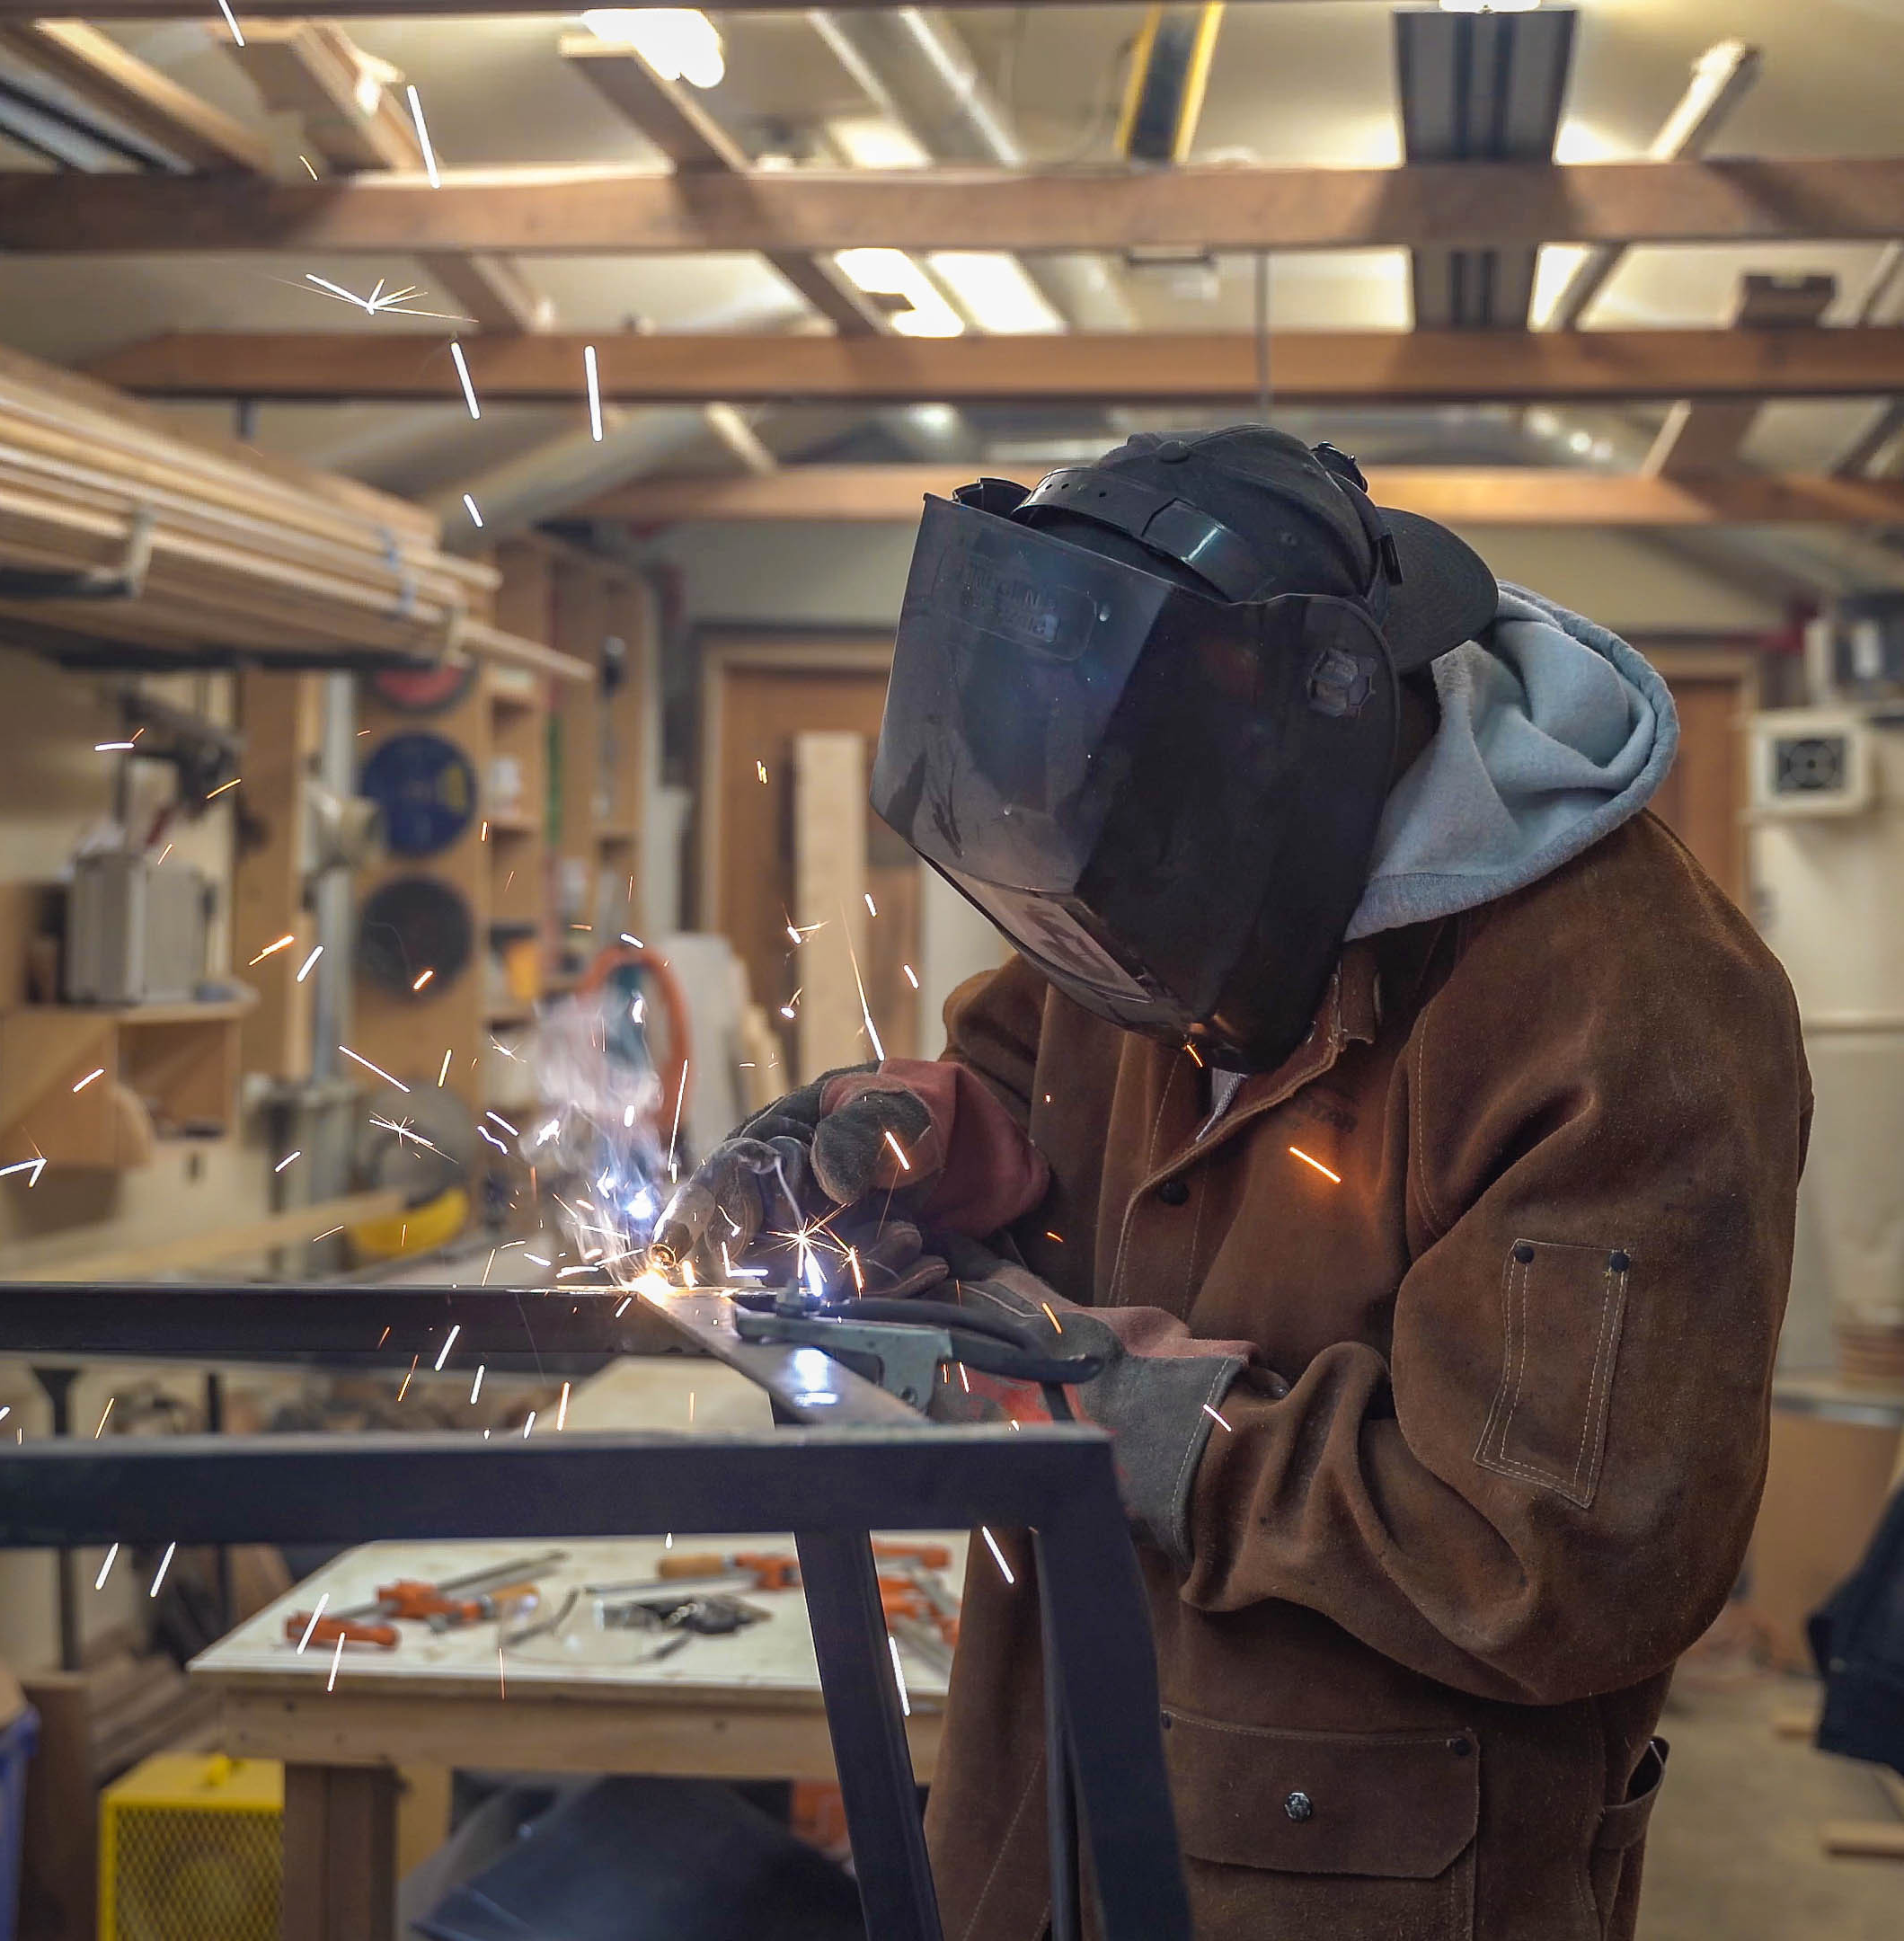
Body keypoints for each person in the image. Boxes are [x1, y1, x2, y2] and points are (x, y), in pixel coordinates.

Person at [669, 426, 1811, 1939]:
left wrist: (1129, 1418)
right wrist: (906, 1135)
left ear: (1312, 736)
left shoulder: (1628, 1005)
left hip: (1355, 1875)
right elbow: (1029, 1089)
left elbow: (1548, 1564)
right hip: (1048, 1797)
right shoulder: (1150, 861)